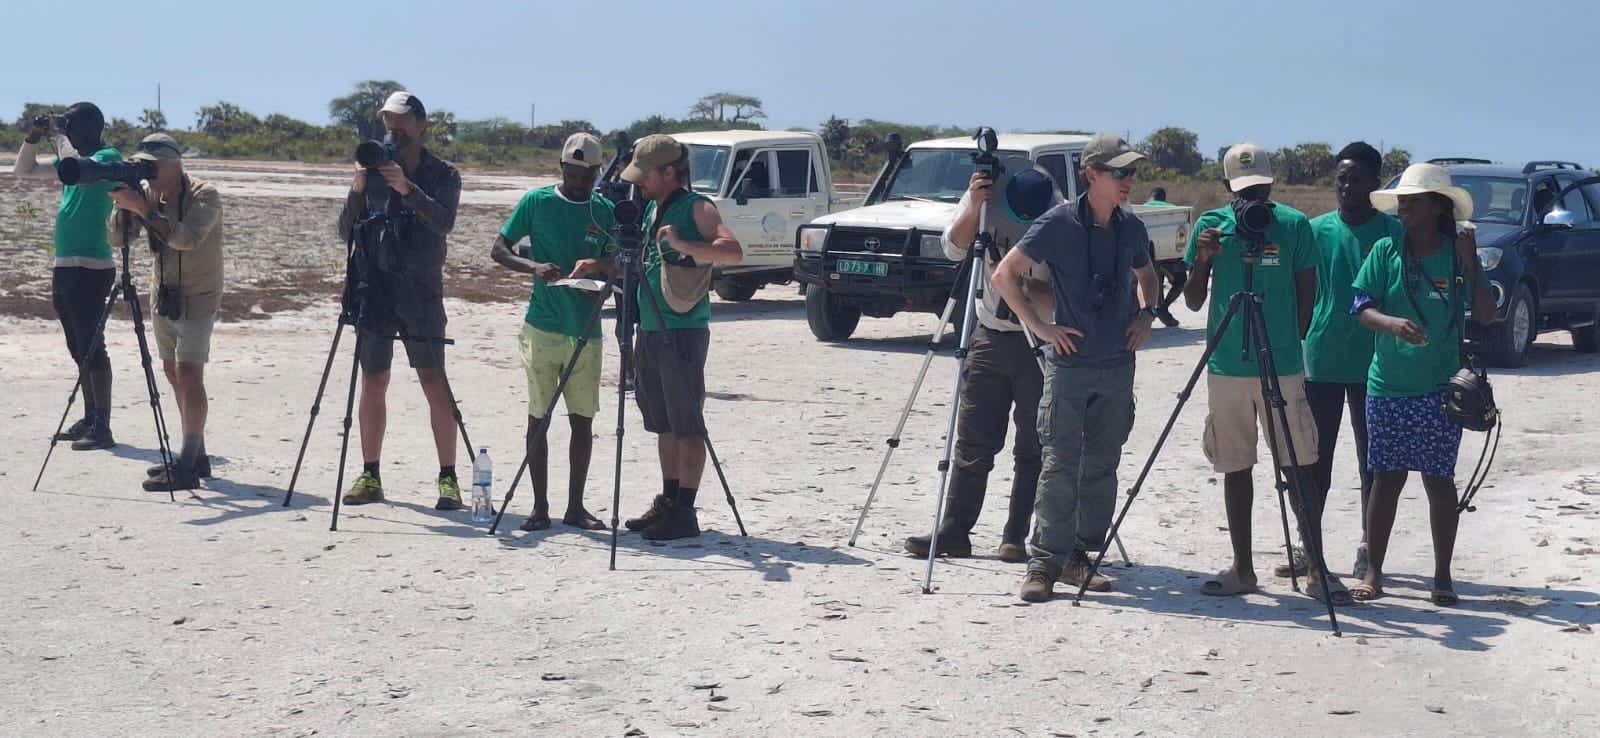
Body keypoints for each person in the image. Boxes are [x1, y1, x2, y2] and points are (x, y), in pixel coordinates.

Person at [990, 133, 1160, 602]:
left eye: (1132, 172)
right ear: (1091, 174)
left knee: (1102, 465)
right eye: (1119, 172)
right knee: (1059, 465)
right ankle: (1043, 563)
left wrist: (1147, 314)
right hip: (1069, 366)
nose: (1128, 180)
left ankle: (1079, 556)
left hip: (1117, 366)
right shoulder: (1058, 223)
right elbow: (1004, 274)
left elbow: (1148, 275)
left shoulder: (1132, 226)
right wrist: (1041, 327)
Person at [1182, 142, 1343, 604]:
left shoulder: (1293, 225)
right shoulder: (1211, 226)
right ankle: (1243, 568)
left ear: (1271, 184)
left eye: (1259, 189)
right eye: (1243, 190)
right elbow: (1192, 300)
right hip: (1227, 364)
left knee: (1300, 465)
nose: (1252, 199)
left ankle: (1316, 568)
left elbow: (1308, 291)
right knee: (1235, 465)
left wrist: (1290, 341)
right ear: (1227, 186)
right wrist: (1205, 259)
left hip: (1282, 364)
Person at [1351, 163, 1494, 606]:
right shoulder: (1385, 250)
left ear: (1437, 207)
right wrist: (1391, 323)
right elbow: (1361, 307)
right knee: (1386, 480)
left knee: (1438, 481)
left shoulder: (1456, 254)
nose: (1403, 210)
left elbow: (1486, 314)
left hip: (1438, 391)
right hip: (1387, 388)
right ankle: (1374, 572)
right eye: (1401, 203)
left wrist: (1472, 265)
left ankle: (1443, 577)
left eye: (1412, 203)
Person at [902, 165, 1057, 563]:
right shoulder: (986, 198)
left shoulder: (1060, 216)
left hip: (1041, 339)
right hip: (990, 334)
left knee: (1034, 445)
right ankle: (954, 530)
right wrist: (974, 205)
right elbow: (954, 249)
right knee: (972, 439)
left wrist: (1020, 285)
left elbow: (1064, 297)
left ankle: (1015, 536)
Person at [335, 91, 466, 511]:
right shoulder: (371, 169)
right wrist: (359, 187)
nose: (393, 128)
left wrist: (407, 189)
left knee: (433, 380)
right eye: (388, 121)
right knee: (373, 380)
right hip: (375, 288)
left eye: (401, 120)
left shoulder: (443, 173)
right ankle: (370, 473)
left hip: (420, 291)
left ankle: (448, 478)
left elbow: (444, 222)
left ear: (421, 125)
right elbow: (345, 230)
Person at [616, 134, 743, 540]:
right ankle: (669, 501)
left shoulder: (697, 207)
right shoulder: (654, 208)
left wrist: (682, 244)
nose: (639, 182)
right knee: (664, 424)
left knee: (687, 424)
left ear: (669, 172)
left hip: (682, 331)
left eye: (645, 175)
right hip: (652, 328)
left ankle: (685, 512)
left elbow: (732, 251)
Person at [490, 132, 618, 532]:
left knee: (583, 421)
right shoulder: (536, 201)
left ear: (598, 172)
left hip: (587, 328)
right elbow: (499, 249)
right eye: (572, 174)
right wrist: (534, 267)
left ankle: (575, 507)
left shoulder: (605, 211)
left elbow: (617, 262)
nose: (578, 182)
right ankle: (539, 507)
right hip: (542, 326)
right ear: (561, 167)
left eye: (587, 176)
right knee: (539, 418)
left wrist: (597, 271)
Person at [1301, 142, 1405, 580]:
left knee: (1372, 463)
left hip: (1375, 366)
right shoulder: (1314, 230)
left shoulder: (1393, 233)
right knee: (1314, 462)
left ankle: (1369, 547)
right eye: (1341, 179)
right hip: (1321, 360)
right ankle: (1310, 549)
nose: (1346, 186)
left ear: (1374, 184)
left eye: (1356, 179)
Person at [105, 134, 225, 491]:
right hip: (164, 294)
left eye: (152, 165)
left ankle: (187, 465)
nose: (148, 172)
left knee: (190, 374)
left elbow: (186, 239)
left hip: (199, 295)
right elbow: (117, 240)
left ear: (175, 164)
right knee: (173, 372)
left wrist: (144, 209)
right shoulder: (148, 194)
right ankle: (196, 454)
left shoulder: (205, 194)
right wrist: (124, 204)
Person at [14, 103, 122, 450]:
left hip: (93, 266)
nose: (67, 131)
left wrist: (59, 134)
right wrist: (35, 135)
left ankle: (102, 425)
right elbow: (24, 170)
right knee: (77, 345)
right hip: (65, 263)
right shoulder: (72, 161)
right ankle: (90, 417)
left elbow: (77, 166)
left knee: (92, 344)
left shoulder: (106, 158)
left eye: (71, 125)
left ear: (89, 127)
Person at [1143, 187, 1185, 327]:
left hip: (1146, 257)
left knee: (1155, 276)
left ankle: (1154, 310)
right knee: (1180, 281)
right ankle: (1163, 308)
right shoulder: (1173, 209)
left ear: (1150, 197)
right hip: (1169, 257)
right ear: (1163, 198)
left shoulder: (1141, 210)